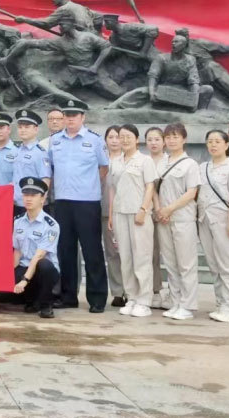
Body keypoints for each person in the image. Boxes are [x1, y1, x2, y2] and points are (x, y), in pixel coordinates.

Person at [44, 99, 109, 312]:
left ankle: (97, 298)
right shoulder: (56, 141)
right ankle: (68, 296)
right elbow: (50, 168)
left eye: (74, 115)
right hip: (63, 202)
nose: (70, 118)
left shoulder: (95, 140)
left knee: (92, 251)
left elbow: (103, 168)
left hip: (87, 202)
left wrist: (87, 186)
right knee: (65, 250)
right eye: (67, 115)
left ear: (83, 117)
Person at [108, 124, 158, 318]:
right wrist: (111, 214)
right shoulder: (116, 161)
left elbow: (150, 187)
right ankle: (132, 298)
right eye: (122, 136)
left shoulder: (145, 160)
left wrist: (144, 209)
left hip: (139, 215)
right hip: (120, 213)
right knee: (126, 259)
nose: (125, 139)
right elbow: (113, 189)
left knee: (142, 258)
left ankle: (144, 301)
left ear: (137, 139)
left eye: (129, 136)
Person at [197, 129, 229, 323]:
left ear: (227, 145)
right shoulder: (203, 167)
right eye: (210, 141)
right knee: (214, 264)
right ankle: (221, 303)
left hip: (225, 221)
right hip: (205, 220)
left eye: (218, 141)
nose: (213, 145)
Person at [154, 122, 200, 320]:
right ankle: (176, 301)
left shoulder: (190, 164)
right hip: (164, 218)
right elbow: (154, 189)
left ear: (184, 139)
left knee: (186, 263)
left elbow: (192, 192)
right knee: (171, 262)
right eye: (168, 137)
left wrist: (169, 209)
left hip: (182, 218)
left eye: (175, 137)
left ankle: (188, 305)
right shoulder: (161, 163)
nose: (171, 140)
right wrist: (158, 210)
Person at [11, 177, 61, 319]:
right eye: (26, 195)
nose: (28, 199)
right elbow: (17, 251)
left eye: (33, 195)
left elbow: (39, 256)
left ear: (43, 198)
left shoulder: (51, 225)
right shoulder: (18, 221)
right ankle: (31, 301)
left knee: (44, 265)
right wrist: (11, 277)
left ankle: (46, 305)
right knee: (3, 294)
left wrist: (24, 280)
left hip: (40, 271)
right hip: (25, 267)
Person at [143, 127, 168, 309]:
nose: (153, 143)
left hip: (168, 212)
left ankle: (175, 293)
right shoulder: (142, 161)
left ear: (164, 141)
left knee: (170, 254)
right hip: (147, 212)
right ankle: (155, 290)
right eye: (150, 139)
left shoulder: (170, 161)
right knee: (150, 253)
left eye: (157, 139)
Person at [101, 125, 126, 309]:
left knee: (121, 251)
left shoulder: (128, 160)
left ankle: (128, 291)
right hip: (99, 210)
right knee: (111, 254)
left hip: (119, 212)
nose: (115, 140)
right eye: (111, 137)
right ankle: (117, 292)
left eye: (118, 137)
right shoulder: (100, 160)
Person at [11, 110, 51, 219]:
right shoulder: (17, 151)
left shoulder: (40, 153)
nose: (23, 130)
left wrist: (40, 206)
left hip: (34, 207)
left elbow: (45, 181)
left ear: (36, 129)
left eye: (27, 126)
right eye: (20, 127)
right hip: (17, 204)